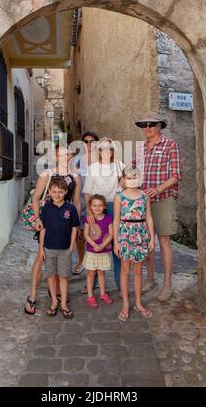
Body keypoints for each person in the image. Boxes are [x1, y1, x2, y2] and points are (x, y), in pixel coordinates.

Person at [24, 144, 81, 315]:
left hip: (65, 220)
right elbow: (35, 198)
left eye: (67, 154)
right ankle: (32, 294)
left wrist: (76, 225)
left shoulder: (75, 176)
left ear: (70, 156)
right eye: (61, 154)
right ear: (55, 156)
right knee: (41, 257)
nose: (64, 156)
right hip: (48, 219)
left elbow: (76, 201)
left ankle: (55, 291)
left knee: (61, 254)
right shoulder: (47, 174)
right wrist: (38, 218)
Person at [134, 112, 183, 302]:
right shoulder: (139, 148)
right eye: (144, 124)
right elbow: (133, 172)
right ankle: (150, 279)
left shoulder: (170, 145)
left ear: (159, 126)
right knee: (147, 241)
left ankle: (168, 284)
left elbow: (176, 174)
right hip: (143, 200)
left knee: (164, 241)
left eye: (151, 124)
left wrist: (158, 189)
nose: (147, 128)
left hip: (164, 198)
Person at [83, 137, 125, 294]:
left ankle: (120, 284)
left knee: (116, 244)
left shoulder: (120, 166)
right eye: (102, 149)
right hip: (96, 207)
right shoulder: (93, 168)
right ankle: (92, 283)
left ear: (113, 150)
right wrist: (89, 211)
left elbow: (125, 186)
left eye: (108, 148)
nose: (105, 151)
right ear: (98, 152)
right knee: (95, 242)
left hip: (114, 207)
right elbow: (87, 191)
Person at [113, 168, 154, 321]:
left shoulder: (144, 196)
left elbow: (149, 217)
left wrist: (151, 238)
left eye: (135, 176)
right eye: (129, 177)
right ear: (123, 179)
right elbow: (116, 220)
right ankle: (125, 304)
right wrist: (116, 242)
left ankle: (138, 303)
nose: (132, 179)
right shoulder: (119, 197)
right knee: (125, 271)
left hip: (140, 234)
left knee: (138, 271)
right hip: (125, 234)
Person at [39, 177, 80, 319]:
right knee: (51, 275)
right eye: (54, 191)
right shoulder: (46, 208)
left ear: (66, 192)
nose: (57, 194)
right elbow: (43, 229)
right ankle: (54, 302)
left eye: (60, 192)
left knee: (63, 276)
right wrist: (40, 249)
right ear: (49, 192)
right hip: (49, 248)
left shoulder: (71, 208)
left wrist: (71, 245)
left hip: (64, 249)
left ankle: (63, 303)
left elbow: (75, 227)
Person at [70, 131, 99, 276]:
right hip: (80, 200)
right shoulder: (76, 161)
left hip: (97, 202)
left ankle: (94, 266)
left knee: (96, 233)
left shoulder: (101, 160)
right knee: (80, 234)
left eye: (92, 141)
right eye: (86, 141)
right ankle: (81, 260)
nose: (89, 144)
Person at [83, 194, 113, 308]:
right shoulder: (88, 219)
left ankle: (102, 293)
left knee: (101, 273)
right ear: (90, 207)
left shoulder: (108, 218)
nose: (97, 208)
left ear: (104, 206)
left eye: (100, 205)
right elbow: (86, 234)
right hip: (92, 251)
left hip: (103, 251)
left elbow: (111, 234)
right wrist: (95, 245)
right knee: (91, 274)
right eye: (94, 205)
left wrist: (102, 245)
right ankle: (90, 296)